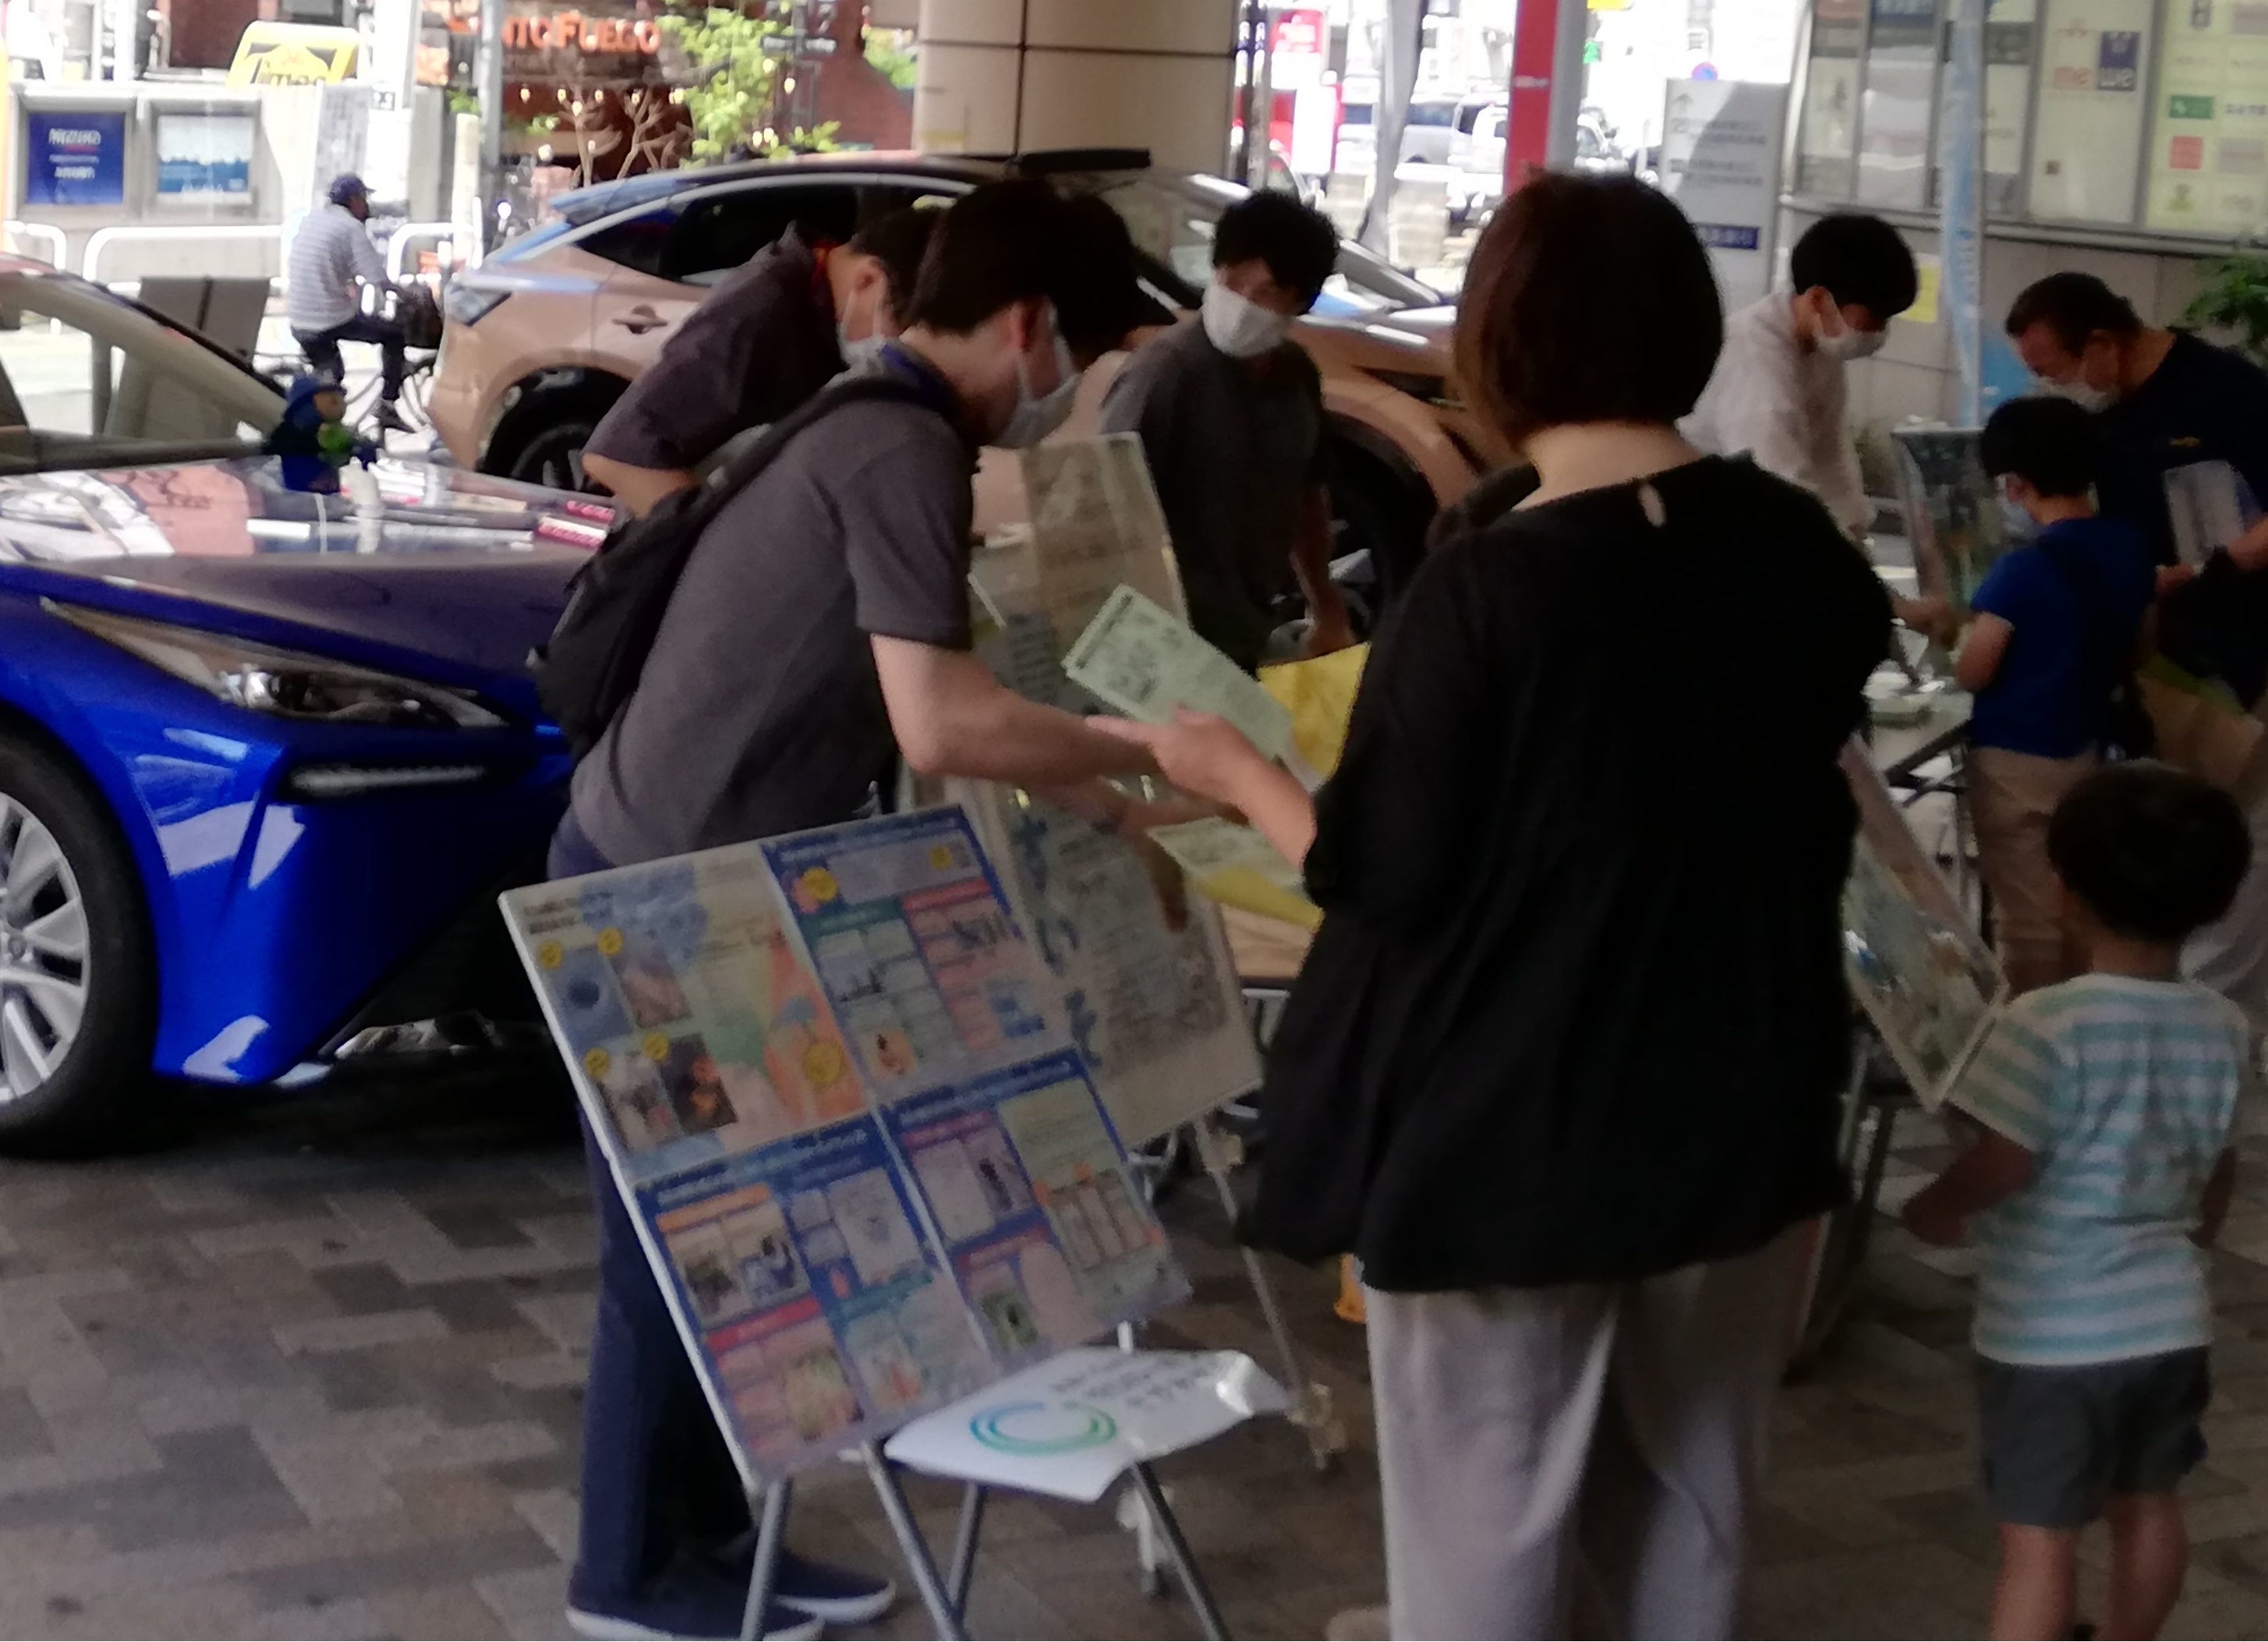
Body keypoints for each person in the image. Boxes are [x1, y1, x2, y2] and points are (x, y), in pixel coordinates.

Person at [1094, 174, 1890, 1640]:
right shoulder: (1804, 560)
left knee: (1488, 1532)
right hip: (1745, 1103)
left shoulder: (1489, 595)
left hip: (1511, 1128)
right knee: (1694, 1504)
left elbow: (1381, 871)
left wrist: (1238, 770)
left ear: (1499, 341)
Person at [555, 181, 1163, 1641]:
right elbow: (941, 717)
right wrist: (1147, 757)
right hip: (659, 896)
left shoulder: (875, 416)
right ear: (1028, 326)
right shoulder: (900, 451)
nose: (1074, 396)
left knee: (716, 1233)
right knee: (675, 1248)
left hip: (689, 875)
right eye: (1084, 356)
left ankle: (720, 1549)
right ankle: (629, 1578)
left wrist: (1093, 803)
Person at [1900, 763, 2252, 1642]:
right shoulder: (2226, 1027)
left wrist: (1937, 1209)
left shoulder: (2041, 1025)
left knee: (2038, 1541)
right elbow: (2218, 1166)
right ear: (2218, 903)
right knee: (2150, 1506)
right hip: (2170, 1323)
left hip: (2050, 1338)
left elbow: (2004, 1160)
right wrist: (2192, 1240)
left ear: (2063, 891)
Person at [2008, 271, 2268, 1015]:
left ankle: (2220, 1031)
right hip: (2166, 663)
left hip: (2247, 653)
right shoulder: (2109, 423)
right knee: (2177, 840)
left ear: (2102, 342)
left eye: (2054, 369)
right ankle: (2161, 1011)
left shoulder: (2228, 392)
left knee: (2243, 843)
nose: (2057, 386)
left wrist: (2208, 568)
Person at [1099, 189, 1355, 668]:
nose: (1240, 304)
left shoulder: (1297, 375)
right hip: (1170, 639)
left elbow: (1306, 498)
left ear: (1299, 302)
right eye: (1229, 281)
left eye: (1263, 293)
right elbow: (1107, 514)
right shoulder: (1164, 373)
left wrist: (1327, 607)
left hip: (1250, 628)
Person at [1953, 398, 2158, 990]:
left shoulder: (2020, 571)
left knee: (2029, 914)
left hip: (2015, 761)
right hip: (2092, 749)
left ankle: (2037, 1029)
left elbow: (1975, 671)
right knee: (2081, 895)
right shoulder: (2130, 545)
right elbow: (2142, 645)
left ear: (2016, 485)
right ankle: (2084, 1004)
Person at [581, 203, 939, 516]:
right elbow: (619, 451)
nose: (893, 350)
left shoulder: (817, 307)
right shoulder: (760, 311)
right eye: (901, 330)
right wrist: (723, 553)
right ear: (868, 279)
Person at [1682, 210, 1920, 537]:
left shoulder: (1821, 348)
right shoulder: (1755, 359)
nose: (1879, 332)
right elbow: (1776, 487)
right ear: (1820, 299)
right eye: (1873, 318)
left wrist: (1855, 531)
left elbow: (1831, 452)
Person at [285, 174, 409, 425]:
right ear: (354, 200)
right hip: (327, 319)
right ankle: (387, 404)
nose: (367, 206)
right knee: (393, 335)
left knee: (330, 371)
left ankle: (317, 411)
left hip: (298, 318)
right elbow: (376, 277)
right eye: (364, 199)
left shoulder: (313, 219)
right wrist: (402, 294)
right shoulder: (350, 227)